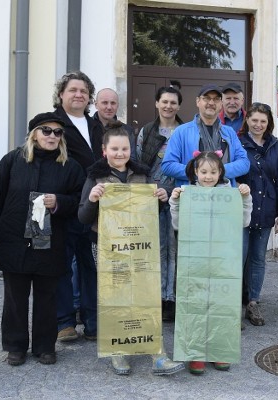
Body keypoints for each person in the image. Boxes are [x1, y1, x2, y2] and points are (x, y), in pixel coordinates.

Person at [77, 121, 183, 376]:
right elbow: (82, 216)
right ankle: (118, 351)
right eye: (114, 149)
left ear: (130, 150)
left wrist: (160, 200)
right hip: (107, 247)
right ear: (105, 150)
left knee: (145, 296)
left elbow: (148, 213)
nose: (120, 153)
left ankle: (157, 353)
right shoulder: (95, 176)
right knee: (116, 298)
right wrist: (92, 199)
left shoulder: (142, 173)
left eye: (124, 148)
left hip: (139, 246)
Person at [0, 112, 85, 367]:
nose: (52, 136)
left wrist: (59, 202)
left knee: (47, 297)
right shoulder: (11, 161)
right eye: (46, 131)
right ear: (34, 134)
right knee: (15, 298)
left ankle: (44, 346)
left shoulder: (70, 166)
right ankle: (15, 346)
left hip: (50, 241)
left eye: (57, 132)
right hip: (13, 238)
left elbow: (80, 202)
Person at [169, 151, 252, 375]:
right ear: (196, 172)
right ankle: (194, 352)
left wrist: (245, 198)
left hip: (222, 260)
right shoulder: (188, 193)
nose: (208, 176)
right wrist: (175, 202)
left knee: (222, 303)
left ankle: (220, 348)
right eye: (204, 171)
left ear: (221, 173)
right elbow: (178, 225)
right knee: (194, 303)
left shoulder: (229, 194)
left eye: (213, 172)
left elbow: (244, 221)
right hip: (194, 260)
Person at [52, 71, 104, 343]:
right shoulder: (52, 124)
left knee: (91, 265)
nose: (79, 95)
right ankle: (64, 322)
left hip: (94, 207)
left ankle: (93, 322)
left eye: (84, 91)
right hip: (66, 204)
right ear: (61, 94)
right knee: (62, 265)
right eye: (73, 90)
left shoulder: (95, 125)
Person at [236, 102, 278, 326]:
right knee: (239, 258)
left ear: (269, 124)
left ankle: (253, 303)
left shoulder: (274, 145)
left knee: (258, 259)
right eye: (254, 120)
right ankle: (231, 306)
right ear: (247, 120)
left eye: (263, 121)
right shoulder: (238, 143)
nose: (258, 125)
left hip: (266, 209)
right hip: (242, 210)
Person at [137, 85, 184, 321]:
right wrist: (146, 193)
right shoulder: (146, 131)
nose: (168, 106)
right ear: (157, 103)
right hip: (151, 199)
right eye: (164, 101)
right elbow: (137, 165)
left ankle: (171, 298)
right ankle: (155, 297)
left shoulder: (185, 132)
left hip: (178, 196)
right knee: (154, 249)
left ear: (179, 106)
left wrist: (171, 191)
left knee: (175, 249)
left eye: (173, 102)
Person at [161, 83, 249, 188]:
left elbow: (244, 163)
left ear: (221, 104)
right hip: (192, 197)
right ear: (198, 101)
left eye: (216, 99)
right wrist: (200, 173)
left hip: (224, 198)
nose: (211, 103)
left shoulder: (229, 133)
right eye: (206, 98)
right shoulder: (181, 132)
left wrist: (217, 172)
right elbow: (168, 166)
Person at [93, 88, 137, 159]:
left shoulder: (127, 131)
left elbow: (131, 159)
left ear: (118, 105)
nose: (109, 107)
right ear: (96, 105)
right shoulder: (87, 127)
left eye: (113, 103)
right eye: (105, 103)